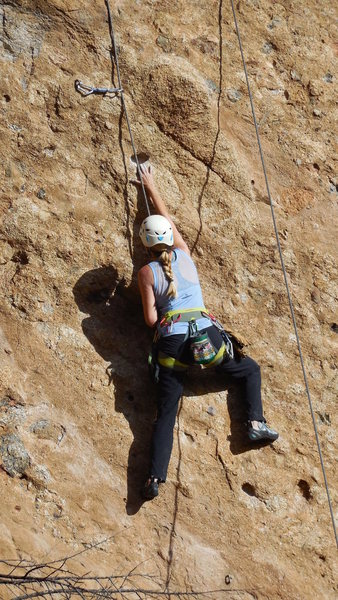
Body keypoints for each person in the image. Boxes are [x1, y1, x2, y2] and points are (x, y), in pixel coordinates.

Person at [136, 164, 278, 500]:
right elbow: (167, 219)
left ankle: (154, 478)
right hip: (205, 340)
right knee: (248, 369)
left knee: (166, 412)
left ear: (145, 246)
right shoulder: (185, 255)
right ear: (171, 238)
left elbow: (151, 321)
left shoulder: (145, 273)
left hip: (172, 347)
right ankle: (255, 425)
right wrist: (150, 184)